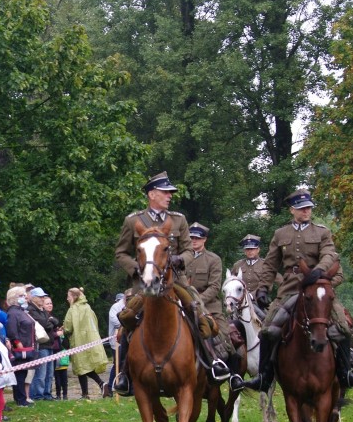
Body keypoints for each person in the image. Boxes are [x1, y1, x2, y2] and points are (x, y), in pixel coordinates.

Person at [111, 171, 230, 396]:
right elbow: (121, 253)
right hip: (144, 285)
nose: (170, 196)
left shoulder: (178, 219)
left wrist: (180, 259)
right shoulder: (133, 221)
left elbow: (187, 250)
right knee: (127, 320)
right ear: (152, 194)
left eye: (170, 193)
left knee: (198, 313)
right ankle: (125, 373)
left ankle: (214, 362)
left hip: (175, 282)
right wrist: (138, 268)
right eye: (166, 192)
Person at [242, 190, 353, 392]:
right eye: (302, 209)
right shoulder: (280, 234)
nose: (306, 211)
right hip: (290, 290)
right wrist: (263, 288)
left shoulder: (322, 232)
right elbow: (270, 265)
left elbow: (329, 255)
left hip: (317, 286)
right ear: (292, 210)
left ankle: (346, 374)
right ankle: (264, 377)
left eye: (308, 207)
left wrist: (317, 272)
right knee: (267, 330)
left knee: (343, 326)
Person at [185, 223, 245, 392]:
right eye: (191, 238)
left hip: (208, 305)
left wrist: (197, 301)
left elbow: (214, 287)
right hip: (183, 303)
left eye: (198, 238)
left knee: (226, 336)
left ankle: (234, 375)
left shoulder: (213, 259)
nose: (194, 241)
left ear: (204, 239)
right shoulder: (181, 258)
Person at [63, 288, 108, 399]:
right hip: (91, 340)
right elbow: (95, 322)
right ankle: (88, 392)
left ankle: (98, 385)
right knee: (85, 366)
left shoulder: (72, 309)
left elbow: (68, 328)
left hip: (79, 341)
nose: (67, 298)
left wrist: (63, 329)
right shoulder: (88, 307)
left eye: (68, 296)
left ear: (74, 297)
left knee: (81, 366)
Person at [4, 286, 36, 407]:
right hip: (19, 348)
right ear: (15, 298)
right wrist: (18, 343)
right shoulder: (13, 312)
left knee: (23, 373)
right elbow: (12, 330)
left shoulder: (21, 311)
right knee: (19, 374)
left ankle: (22, 398)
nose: (25, 297)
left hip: (28, 346)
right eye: (22, 295)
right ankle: (20, 399)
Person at [27, 287, 57, 401]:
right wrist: (50, 322)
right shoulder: (31, 310)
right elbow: (43, 323)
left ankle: (47, 393)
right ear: (34, 298)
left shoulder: (43, 310)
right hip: (41, 345)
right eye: (40, 297)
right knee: (41, 373)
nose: (42, 298)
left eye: (43, 296)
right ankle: (38, 395)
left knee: (49, 373)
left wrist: (51, 322)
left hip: (49, 343)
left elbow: (53, 322)